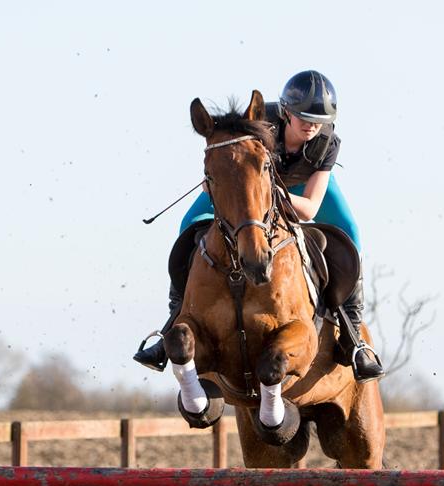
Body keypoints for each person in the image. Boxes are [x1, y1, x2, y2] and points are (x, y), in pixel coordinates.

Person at [133, 70, 385, 382]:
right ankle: (173, 321)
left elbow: (309, 209)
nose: (311, 126)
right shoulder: (260, 121)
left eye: (318, 120)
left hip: (296, 191)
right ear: (286, 113)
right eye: (304, 118)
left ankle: (353, 337)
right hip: (250, 188)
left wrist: (271, 196)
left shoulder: (327, 143)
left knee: (350, 231)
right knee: (189, 223)